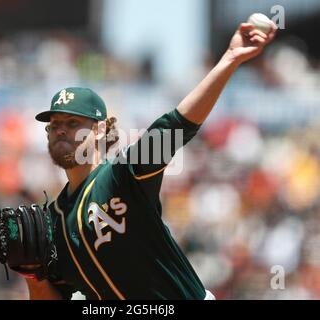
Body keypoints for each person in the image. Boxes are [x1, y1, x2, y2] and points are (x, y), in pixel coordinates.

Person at [25, 22, 277, 300]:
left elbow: (174, 126)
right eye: (54, 124)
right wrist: (34, 278)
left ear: (98, 130)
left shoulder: (122, 176)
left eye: (72, 122)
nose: (60, 130)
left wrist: (230, 59)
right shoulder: (53, 222)